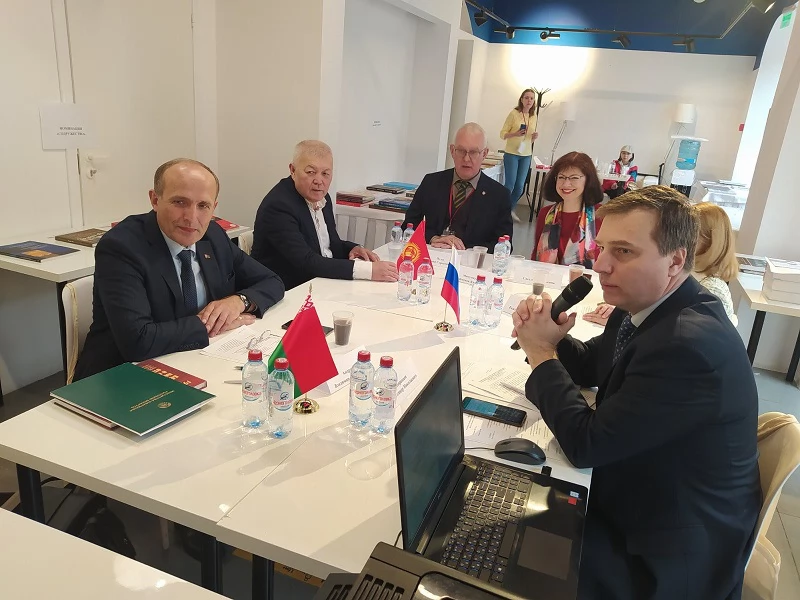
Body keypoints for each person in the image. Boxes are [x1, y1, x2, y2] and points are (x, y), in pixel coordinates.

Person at [512, 186, 760, 599]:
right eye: (602, 247)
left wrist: (540, 354)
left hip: (658, 558)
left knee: (503, 551)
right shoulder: (651, 306)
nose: (600, 265)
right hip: (644, 497)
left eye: (623, 252)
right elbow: (594, 366)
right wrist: (551, 339)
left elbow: (586, 445)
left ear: (676, 260)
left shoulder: (687, 346)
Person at [75, 159, 285, 380]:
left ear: (213, 207)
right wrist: (212, 324)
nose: (191, 218)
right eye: (179, 202)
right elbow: (138, 341)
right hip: (123, 375)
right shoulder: (121, 247)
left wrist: (238, 301)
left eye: (203, 206)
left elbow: (272, 281)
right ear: (155, 200)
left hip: (197, 361)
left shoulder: (213, 235)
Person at [251, 140, 398, 290]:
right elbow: (306, 261)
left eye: (325, 174)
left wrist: (351, 249)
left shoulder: (322, 197)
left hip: (319, 283)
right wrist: (368, 271)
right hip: (286, 290)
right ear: (293, 170)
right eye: (310, 172)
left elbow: (327, 244)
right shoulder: (279, 205)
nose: (319, 181)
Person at [584, 201, 739, 326]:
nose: (681, 238)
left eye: (624, 251)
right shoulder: (686, 277)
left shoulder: (712, 290)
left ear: (711, 241)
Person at [403, 123, 512, 251]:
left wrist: (466, 250)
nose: (466, 158)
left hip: (471, 260)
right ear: (452, 151)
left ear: (484, 154)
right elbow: (408, 226)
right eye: (461, 151)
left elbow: (505, 246)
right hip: (432, 256)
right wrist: (433, 238)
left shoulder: (499, 195)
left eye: (473, 152)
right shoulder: (431, 182)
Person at [533, 151, 603, 267]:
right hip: (547, 276)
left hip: (587, 278)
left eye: (574, 178)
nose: (566, 184)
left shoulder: (601, 215)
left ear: (588, 180)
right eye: (561, 177)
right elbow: (535, 255)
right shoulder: (545, 213)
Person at [499, 89, 539, 222]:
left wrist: (533, 137)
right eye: (526, 98)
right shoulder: (514, 114)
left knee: (520, 187)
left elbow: (528, 139)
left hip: (526, 154)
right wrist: (515, 134)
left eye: (531, 98)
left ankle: (509, 209)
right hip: (512, 153)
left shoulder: (533, 116)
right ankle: (502, 211)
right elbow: (502, 134)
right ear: (521, 99)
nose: (529, 101)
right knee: (509, 185)